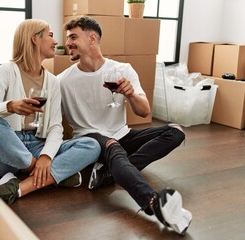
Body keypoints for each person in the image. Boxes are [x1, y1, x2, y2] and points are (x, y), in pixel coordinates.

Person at [58, 16, 192, 235]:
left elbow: (144, 111)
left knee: (175, 131)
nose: (68, 43)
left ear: (92, 38)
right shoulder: (62, 80)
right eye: (68, 38)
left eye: (73, 37)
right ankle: (154, 204)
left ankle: (110, 175)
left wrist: (130, 94)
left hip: (121, 134)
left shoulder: (122, 70)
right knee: (113, 146)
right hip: (89, 140)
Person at [0, 19, 100, 205]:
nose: (56, 41)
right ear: (34, 39)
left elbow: (56, 127)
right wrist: (9, 106)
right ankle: (50, 174)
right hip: (7, 149)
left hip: (37, 145)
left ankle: (18, 187)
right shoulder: (7, 71)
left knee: (92, 145)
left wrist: (45, 156)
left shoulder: (53, 81)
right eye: (50, 35)